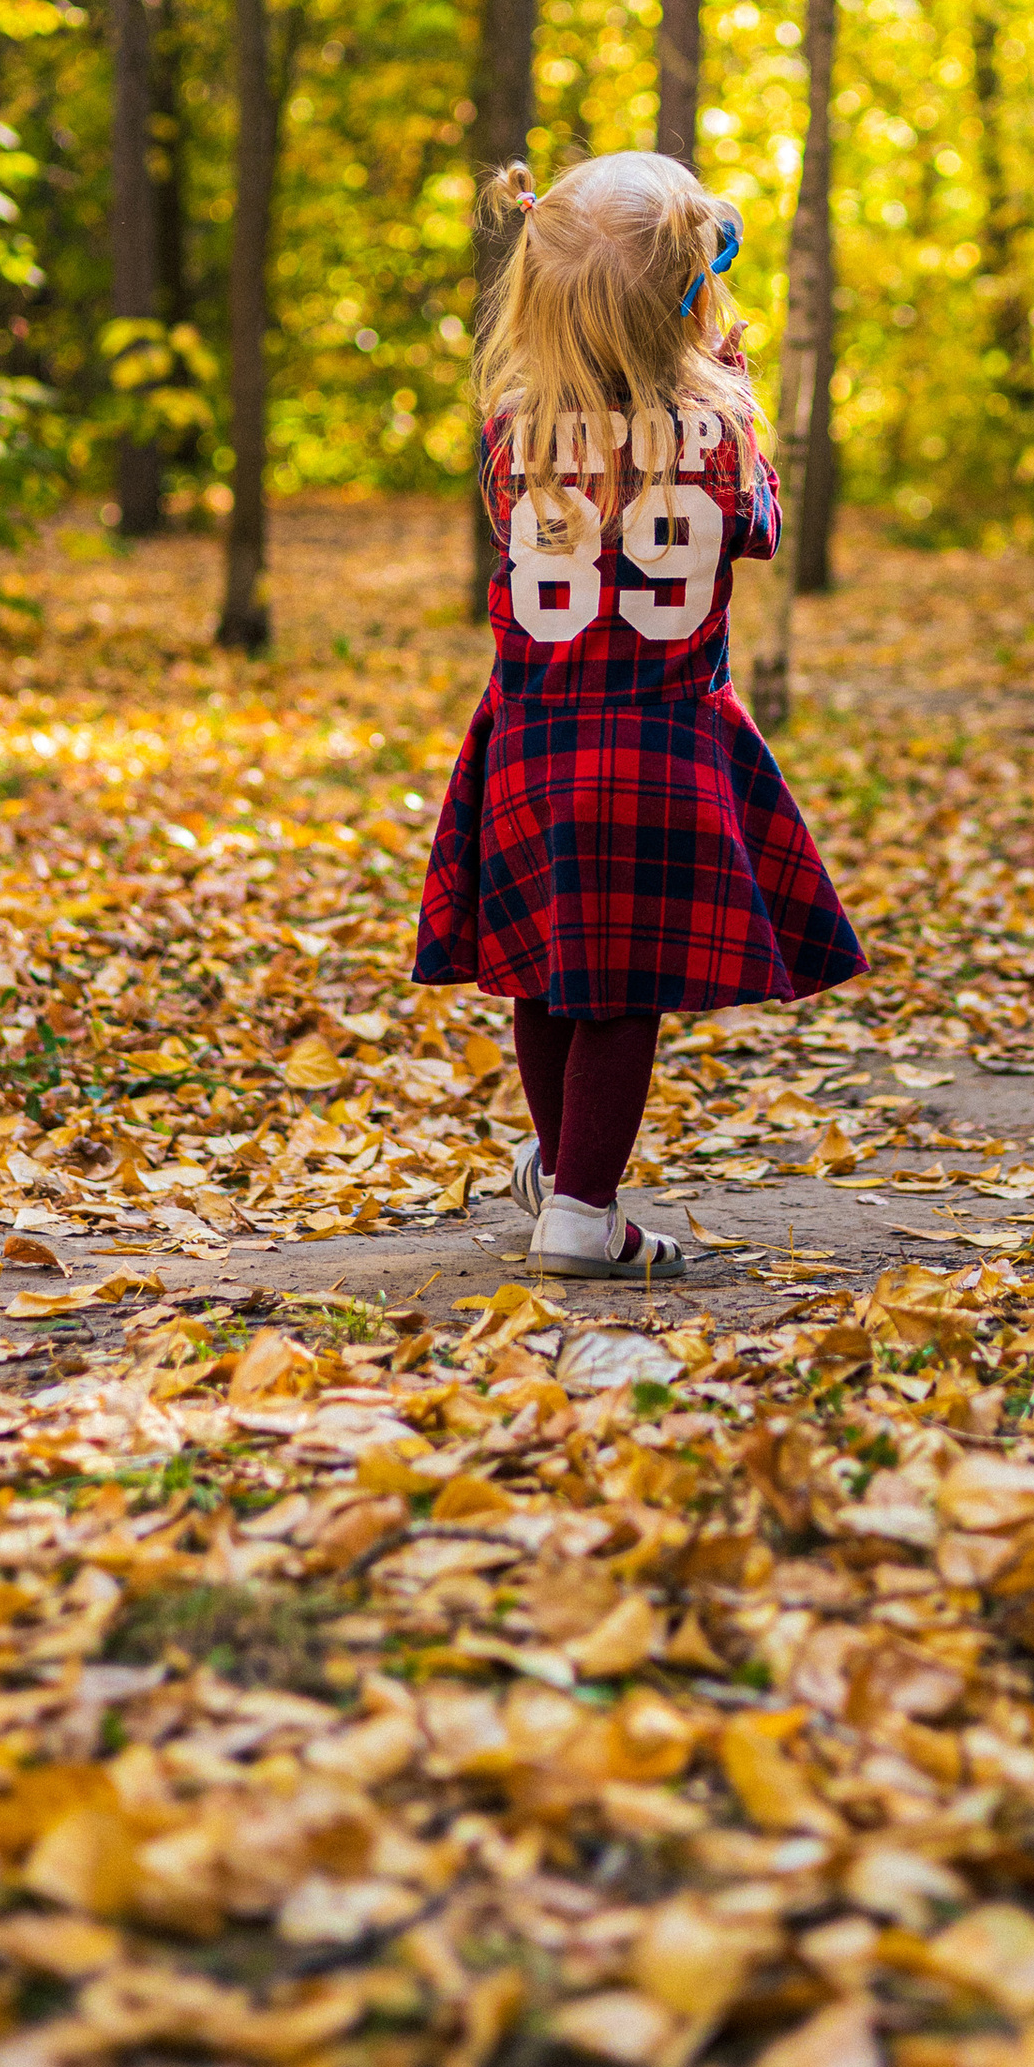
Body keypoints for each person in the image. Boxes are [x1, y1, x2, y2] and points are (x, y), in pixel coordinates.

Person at [414, 151, 866, 1280]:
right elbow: (753, 531)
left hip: (531, 738)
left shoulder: (509, 431)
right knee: (622, 988)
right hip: (662, 739)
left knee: (545, 964)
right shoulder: (719, 435)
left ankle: (562, 1163)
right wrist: (728, 384)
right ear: (690, 302)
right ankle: (582, 1204)